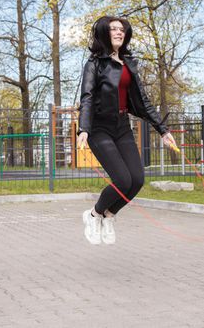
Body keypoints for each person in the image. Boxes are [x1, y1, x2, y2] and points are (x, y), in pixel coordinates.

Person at [77, 16, 177, 245]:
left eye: (122, 29)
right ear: (104, 33)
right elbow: (88, 97)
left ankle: (109, 216)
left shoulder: (129, 64)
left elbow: (143, 102)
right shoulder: (94, 64)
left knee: (137, 179)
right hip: (99, 129)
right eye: (113, 29)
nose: (119, 33)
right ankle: (93, 215)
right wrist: (83, 128)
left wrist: (163, 130)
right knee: (122, 180)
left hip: (122, 127)